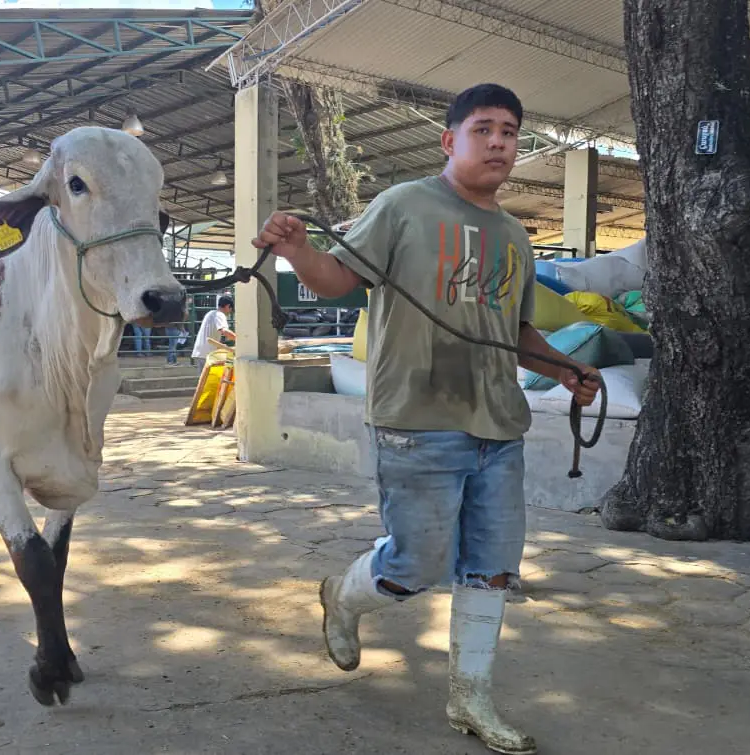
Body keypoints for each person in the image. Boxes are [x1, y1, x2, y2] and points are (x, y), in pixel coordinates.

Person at [252, 84, 599, 755]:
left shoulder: (515, 235)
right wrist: (296, 248)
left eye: (510, 132)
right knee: (417, 564)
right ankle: (345, 596)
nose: (499, 142)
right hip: (417, 417)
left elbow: (517, 327)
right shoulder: (404, 206)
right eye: (483, 129)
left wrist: (564, 371)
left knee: (493, 567)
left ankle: (471, 698)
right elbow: (336, 279)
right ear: (449, 141)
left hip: (499, 424)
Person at [190, 295, 236, 370]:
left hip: (201, 352)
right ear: (228, 306)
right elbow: (224, 331)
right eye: (231, 309)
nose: (230, 312)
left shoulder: (210, 313)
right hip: (207, 354)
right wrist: (239, 339)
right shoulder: (220, 315)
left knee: (204, 379)